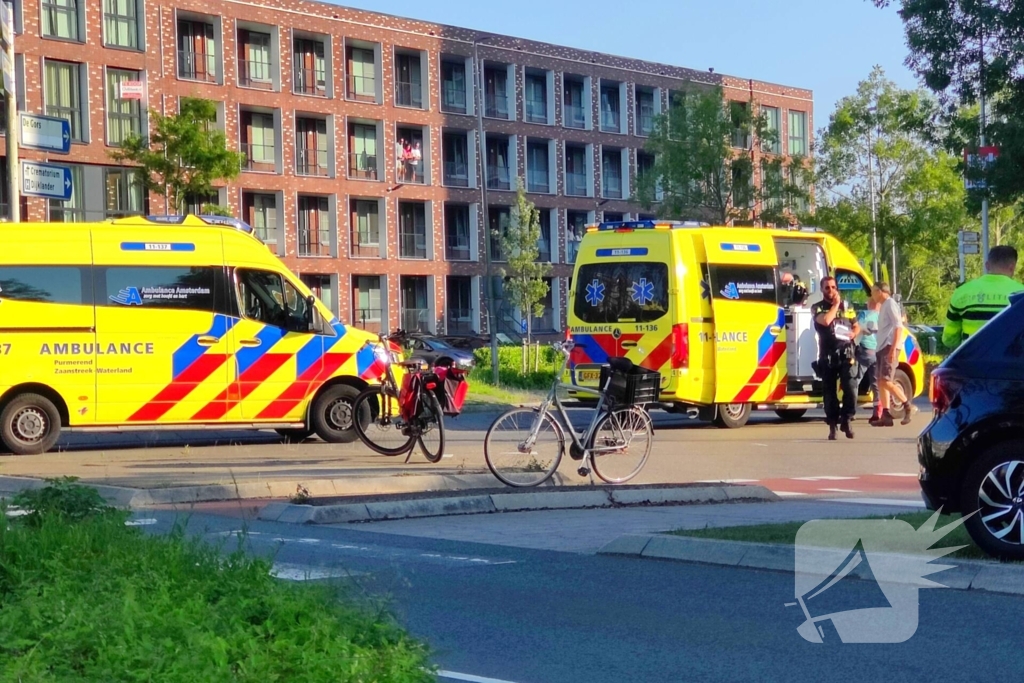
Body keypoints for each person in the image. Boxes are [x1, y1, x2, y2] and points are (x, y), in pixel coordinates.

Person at [942, 245, 1024, 348]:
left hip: (971, 361)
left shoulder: (962, 292)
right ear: (1012, 267)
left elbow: (949, 340)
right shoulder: (1021, 294)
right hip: (1011, 362)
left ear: (987, 265)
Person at [813, 276, 860, 440]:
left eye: (833, 287)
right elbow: (825, 321)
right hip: (828, 355)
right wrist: (835, 305)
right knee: (830, 393)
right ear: (822, 290)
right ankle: (832, 425)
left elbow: (856, 324)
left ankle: (846, 419)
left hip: (846, 352)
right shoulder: (818, 308)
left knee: (851, 387)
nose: (831, 290)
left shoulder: (847, 306)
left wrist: (854, 332)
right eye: (827, 288)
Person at [870, 281, 915, 427]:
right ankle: (886, 415)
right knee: (881, 382)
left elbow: (898, 327)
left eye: (873, 291)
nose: (872, 295)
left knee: (887, 380)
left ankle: (908, 406)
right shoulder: (883, 306)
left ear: (881, 291)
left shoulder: (890, 304)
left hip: (889, 347)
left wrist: (893, 349)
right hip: (882, 347)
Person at [855, 297, 880, 421]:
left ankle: (850, 411)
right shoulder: (881, 317)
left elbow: (857, 329)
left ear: (869, 304)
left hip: (865, 351)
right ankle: (878, 413)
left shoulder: (864, 314)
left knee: (855, 381)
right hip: (877, 352)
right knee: (876, 384)